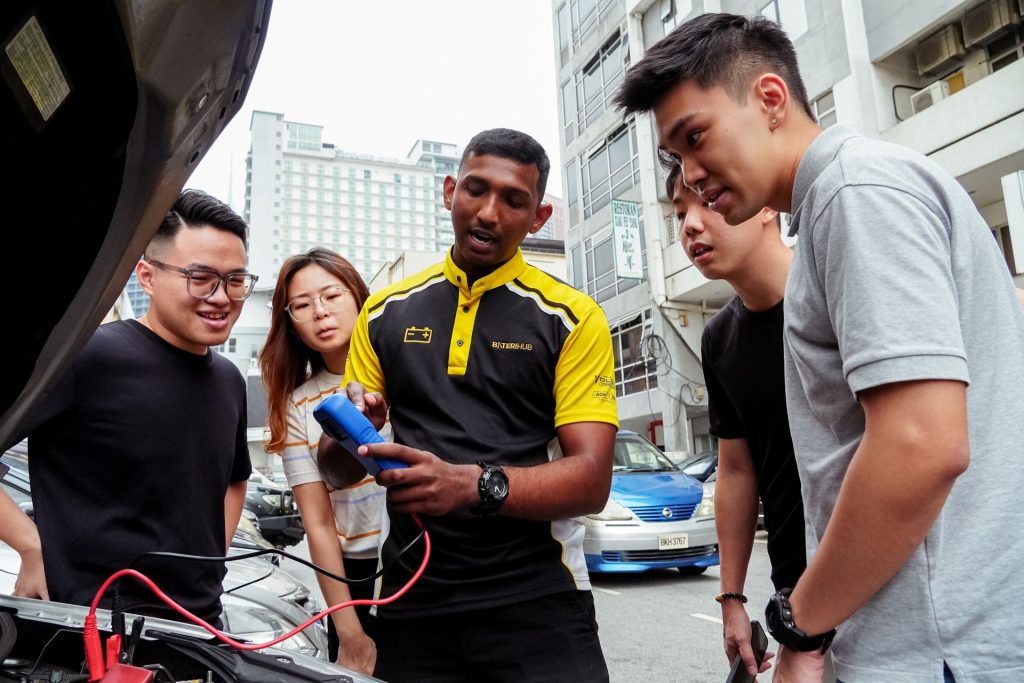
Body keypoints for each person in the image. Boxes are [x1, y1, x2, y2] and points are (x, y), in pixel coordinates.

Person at [617, 13, 1024, 683]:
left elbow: (921, 444)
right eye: (675, 159)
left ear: (771, 100)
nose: (690, 176)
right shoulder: (849, 199)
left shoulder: (854, 192)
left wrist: (800, 626)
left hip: (934, 648)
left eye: (696, 138)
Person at [340, 128, 619, 683]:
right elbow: (335, 467)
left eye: (514, 200)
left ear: (537, 218)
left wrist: (471, 485)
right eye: (475, 189)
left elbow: (591, 481)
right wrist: (354, 436)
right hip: (411, 599)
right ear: (449, 191)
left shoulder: (572, 316)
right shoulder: (382, 312)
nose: (489, 213)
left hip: (536, 599)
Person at [16, 189, 254, 626]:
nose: (221, 297)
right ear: (146, 276)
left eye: (236, 280)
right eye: (200, 277)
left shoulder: (230, 380)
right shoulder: (84, 356)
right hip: (91, 627)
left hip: (202, 625)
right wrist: (29, 545)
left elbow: (235, 479)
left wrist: (211, 559)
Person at [667, 164, 802, 678]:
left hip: (888, 582)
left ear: (767, 205)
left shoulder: (836, 292)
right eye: (680, 213)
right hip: (798, 594)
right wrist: (731, 598)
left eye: (706, 201)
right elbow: (738, 470)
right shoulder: (719, 338)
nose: (690, 226)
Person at [259, 248, 382, 675]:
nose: (321, 312)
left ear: (359, 297)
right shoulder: (297, 403)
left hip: (429, 563)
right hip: (354, 582)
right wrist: (349, 632)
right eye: (303, 305)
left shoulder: (403, 368)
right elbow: (318, 523)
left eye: (332, 295)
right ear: (290, 323)